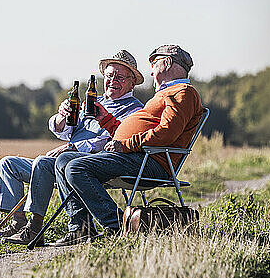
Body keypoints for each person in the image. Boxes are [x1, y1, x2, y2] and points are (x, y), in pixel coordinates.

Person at [53, 44, 205, 246]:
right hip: (135, 156)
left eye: (153, 64)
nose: (151, 71)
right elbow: (138, 130)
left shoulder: (182, 92)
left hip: (150, 161)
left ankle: (116, 226)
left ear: (167, 63)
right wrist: (106, 120)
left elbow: (168, 133)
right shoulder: (167, 94)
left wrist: (125, 145)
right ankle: (80, 228)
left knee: (76, 166)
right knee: (63, 160)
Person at [0, 50, 145, 245]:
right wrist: (61, 116)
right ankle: (18, 223)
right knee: (8, 164)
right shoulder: (92, 102)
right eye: (109, 76)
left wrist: (72, 147)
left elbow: (112, 140)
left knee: (43, 162)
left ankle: (34, 228)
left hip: (90, 165)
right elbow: (62, 131)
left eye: (120, 77)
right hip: (61, 161)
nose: (113, 80)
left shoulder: (135, 109)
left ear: (132, 82)